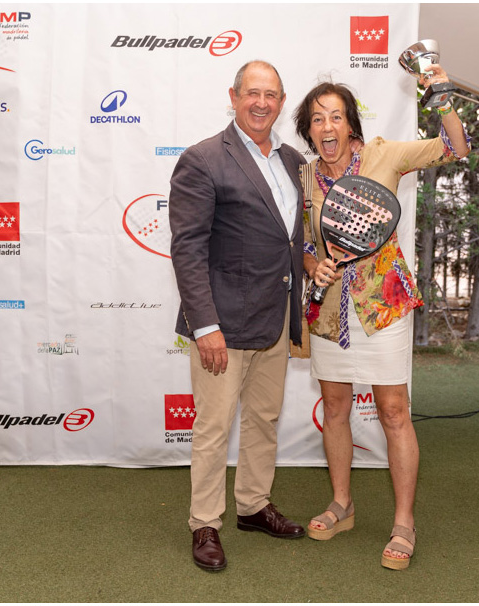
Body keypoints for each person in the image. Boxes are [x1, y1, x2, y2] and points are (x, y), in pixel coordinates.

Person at [292, 65, 471, 570]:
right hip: (330, 309)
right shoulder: (304, 176)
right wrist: (312, 264)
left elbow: (455, 148)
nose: (327, 126)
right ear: (308, 130)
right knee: (334, 408)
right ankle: (342, 504)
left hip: (384, 305)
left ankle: (404, 522)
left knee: (393, 412)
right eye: (317, 119)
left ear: (351, 124)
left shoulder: (384, 155)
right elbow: (302, 243)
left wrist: (440, 96)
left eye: (336, 116)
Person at [169, 60, 307, 572]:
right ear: (234, 97)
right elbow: (187, 248)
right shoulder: (203, 159)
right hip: (222, 323)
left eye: (271, 95)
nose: (261, 103)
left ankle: (252, 505)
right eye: (252, 93)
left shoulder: (293, 160)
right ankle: (204, 523)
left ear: (282, 102)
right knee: (213, 427)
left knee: (264, 419)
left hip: (276, 317)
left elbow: (290, 238)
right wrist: (205, 325)